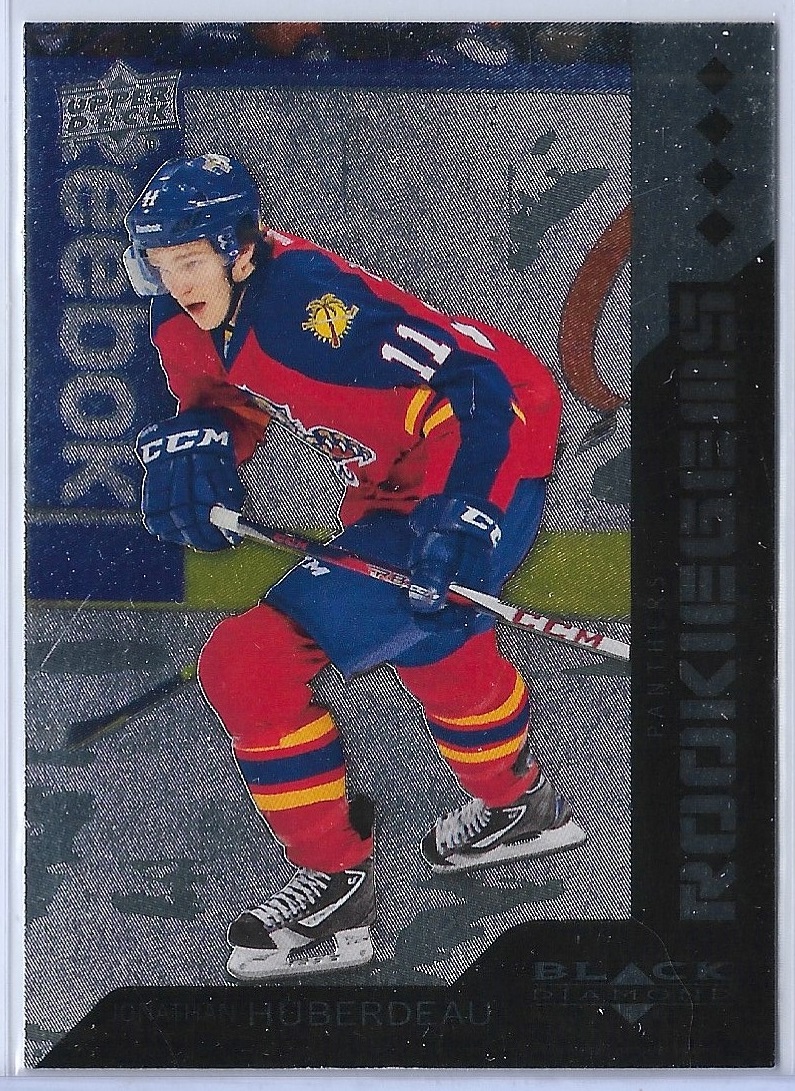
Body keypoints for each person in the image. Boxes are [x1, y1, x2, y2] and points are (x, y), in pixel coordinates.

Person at [124, 153, 586, 981]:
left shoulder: (310, 308)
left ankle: (335, 887)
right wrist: (206, 444)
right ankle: (520, 805)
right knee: (433, 641)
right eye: (158, 264)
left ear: (239, 248)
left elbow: (475, 386)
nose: (174, 281)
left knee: (246, 664)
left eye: (189, 260)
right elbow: (222, 396)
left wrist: (463, 513)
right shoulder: (180, 319)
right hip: (393, 473)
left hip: (483, 449)